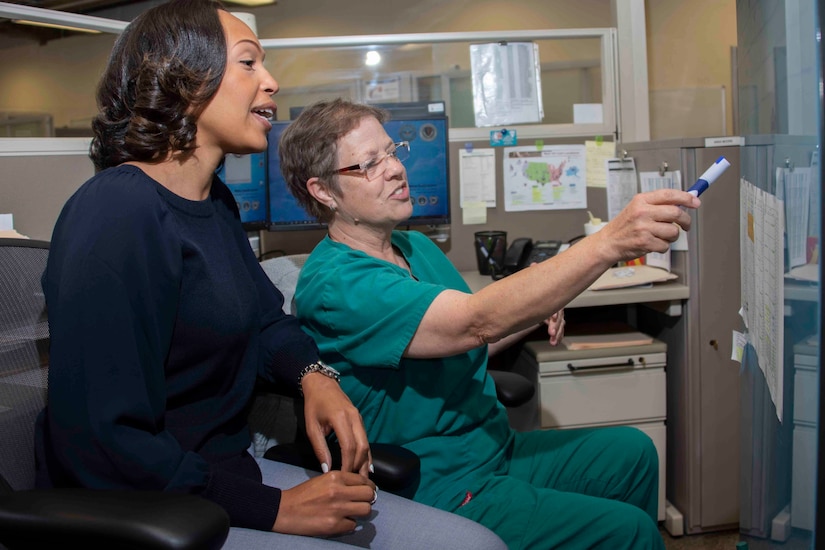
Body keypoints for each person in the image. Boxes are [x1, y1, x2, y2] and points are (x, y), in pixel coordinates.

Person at [34, 2, 507, 549]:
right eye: (248, 64)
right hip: (152, 509)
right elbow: (103, 442)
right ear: (183, 79)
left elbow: (265, 322)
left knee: (474, 544)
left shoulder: (213, 203)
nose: (272, 83)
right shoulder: (116, 214)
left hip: (222, 479)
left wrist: (314, 375)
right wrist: (274, 508)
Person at [279, 98, 702, 550]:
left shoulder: (413, 245)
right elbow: (473, 322)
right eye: (368, 163)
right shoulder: (338, 284)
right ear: (323, 192)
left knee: (631, 454)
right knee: (628, 530)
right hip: (436, 480)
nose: (395, 169)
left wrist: (540, 304)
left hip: (492, 443)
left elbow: (467, 338)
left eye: (392, 152)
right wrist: (608, 242)